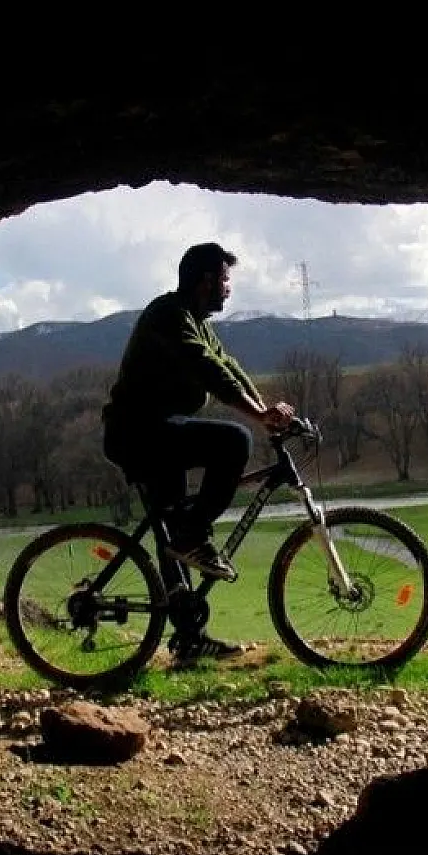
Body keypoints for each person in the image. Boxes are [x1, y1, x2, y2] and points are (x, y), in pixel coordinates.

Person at [101, 242, 296, 661]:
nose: (228, 289)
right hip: (139, 433)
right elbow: (208, 370)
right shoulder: (171, 316)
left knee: (170, 529)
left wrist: (265, 409)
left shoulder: (196, 319)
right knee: (234, 441)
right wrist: (258, 419)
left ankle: (189, 638)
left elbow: (228, 365)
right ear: (207, 280)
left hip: (156, 432)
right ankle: (193, 535)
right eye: (226, 280)